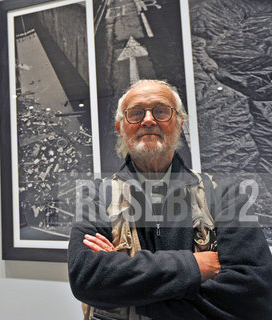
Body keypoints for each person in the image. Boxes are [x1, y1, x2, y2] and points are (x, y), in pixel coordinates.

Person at [67, 79, 272, 319]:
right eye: (135, 113)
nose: (148, 120)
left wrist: (129, 297)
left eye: (161, 111)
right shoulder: (96, 196)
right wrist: (194, 267)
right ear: (120, 128)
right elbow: (88, 278)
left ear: (179, 123)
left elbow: (254, 291)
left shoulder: (223, 193)